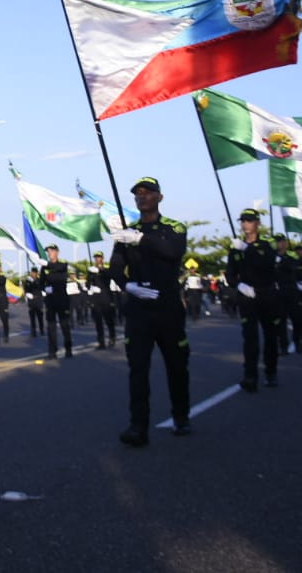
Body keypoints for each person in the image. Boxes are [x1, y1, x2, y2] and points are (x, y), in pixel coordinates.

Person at [107, 177, 190, 446]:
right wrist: (128, 286)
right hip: (139, 309)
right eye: (138, 194)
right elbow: (116, 268)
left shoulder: (173, 227)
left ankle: (181, 416)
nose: (142, 197)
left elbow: (173, 252)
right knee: (138, 369)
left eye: (147, 193)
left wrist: (141, 239)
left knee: (176, 366)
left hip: (167, 307)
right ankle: (138, 426)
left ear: (159, 198)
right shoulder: (126, 232)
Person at [227, 208, 280, 392]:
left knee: (270, 335)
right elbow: (230, 273)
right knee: (249, 337)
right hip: (247, 295)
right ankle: (250, 376)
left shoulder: (268, 244)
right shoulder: (235, 247)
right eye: (243, 221)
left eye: (249, 220)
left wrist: (247, 249)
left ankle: (271, 371)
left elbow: (266, 263)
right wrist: (238, 285)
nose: (245, 224)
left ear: (257, 223)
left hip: (267, 293)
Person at [41, 245, 74, 359]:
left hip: (62, 299)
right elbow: (41, 282)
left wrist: (48, 265)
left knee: (65, 325)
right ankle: (52, 350)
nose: (49, 253)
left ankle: (68, 348)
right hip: (50, 300)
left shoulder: (62, 264)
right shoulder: (44, 267)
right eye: (48, 251)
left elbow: (61, 271)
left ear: (57, 252)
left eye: (51, 251)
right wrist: (44, 288)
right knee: (51, 327)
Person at [274, 235, 302, 355]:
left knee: (297, 319)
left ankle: (297, 342)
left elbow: (294, 267)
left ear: (286, 243)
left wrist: (281, 261)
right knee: (280, 320)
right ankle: (283, 345)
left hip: (291, 290)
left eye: (282, 241)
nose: (280, 244)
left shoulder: (291, 257)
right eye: (278, 242)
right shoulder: (270, 257)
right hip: (277, 291)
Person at [86, 251, 116, 349]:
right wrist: (91, 286)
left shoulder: (106, 269)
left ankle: (112, 337)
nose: (97, 259)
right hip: (96, 298)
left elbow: (109, 276)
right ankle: (101, 342)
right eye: (95, 257)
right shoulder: (91, 271)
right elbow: (87, 284)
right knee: (98, 321)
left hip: (106, 297)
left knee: (108, 320)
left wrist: (99, 270)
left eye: (99, 257)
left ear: (102, 259)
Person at [23, 267, 45, 338]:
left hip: (39, 301)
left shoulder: (39, 280)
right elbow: (26, 289)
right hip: (31, 301)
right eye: (32, 272)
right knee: (32, 318)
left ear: (36, 273)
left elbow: (42, 288)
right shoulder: (28, 281)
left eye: (34, 272)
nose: (33, 274)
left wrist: (44, 293)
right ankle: (33, 332)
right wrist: (27, 294)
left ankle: (42, 330)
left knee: (40, 317)